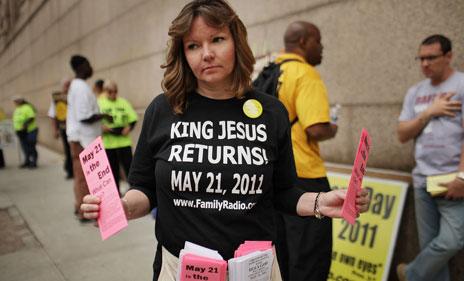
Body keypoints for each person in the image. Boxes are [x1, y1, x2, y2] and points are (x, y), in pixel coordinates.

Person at [80, 1, 369, 280]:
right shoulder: (163, 109)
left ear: (236, 42)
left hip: (256, 272)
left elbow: (282, 193)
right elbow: (144, 188)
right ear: (183, 55)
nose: (206, 53)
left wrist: (321, 202)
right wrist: (124, 207)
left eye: (217, 39)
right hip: (179, 270)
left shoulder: (272, 112)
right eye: (193, 46)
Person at [272, 21, 338, 281]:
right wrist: (333, 127)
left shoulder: (271, 70)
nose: (321, 47)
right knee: (310, 256)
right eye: (318, 41)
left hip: (273, 175)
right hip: (305, 176)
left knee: (282, 255)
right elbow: (316, 129)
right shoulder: (305, 73)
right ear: (303, 42)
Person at [397, 34, 464, 281]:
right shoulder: (415, 92)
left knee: (452, 241)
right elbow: (402, 133)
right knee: (430, 250)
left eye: (431, 58)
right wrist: (429, 113)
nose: (425, 64)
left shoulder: (461, 85)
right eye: (421, 58)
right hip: (423, 180)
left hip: (452, 181)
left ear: (449, 56)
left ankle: (410, 273)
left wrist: (462, 177)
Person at [67, 55, 111, 222]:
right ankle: (83, 210)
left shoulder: (78, 86)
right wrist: (104, 115)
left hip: (83, 138)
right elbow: (84, 116)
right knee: (84, 177)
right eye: (88, 64)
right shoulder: (80, 88)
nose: (90, 67)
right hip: (82, 140)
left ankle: (80, 206)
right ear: (81, 67)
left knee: (83, 176)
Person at [98, 79, 138, 194]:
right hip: (108, 143)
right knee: (112, 171)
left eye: (115, 91)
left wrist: (129, 128)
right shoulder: (99, 103)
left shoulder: (123, 102)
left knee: (130, 169)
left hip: (123, 142)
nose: (113, 94)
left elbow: (133, 118)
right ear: (105, 91)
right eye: (110, 92)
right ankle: (115, 194)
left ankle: (134, 191)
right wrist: (101, 127)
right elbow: (94, 122)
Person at [48, 78, 73, 179]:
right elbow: (52, 115)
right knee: (68, 151)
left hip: (76, 130)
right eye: (66, 85)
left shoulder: (74, 95)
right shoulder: (57, 99)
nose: (68, 87)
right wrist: (55, 129)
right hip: (64, 129)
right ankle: (69, 170)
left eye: (69, 84)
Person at [12, 96, 38, 168]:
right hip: (20, 131)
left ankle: (34, 162)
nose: (15, 103)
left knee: (31, 146)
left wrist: (25, 124)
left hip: (30, 130)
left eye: (16, 101)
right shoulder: (17, 109)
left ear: (21, 101)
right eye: (14, 101)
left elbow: (31, 117)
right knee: (24, 147)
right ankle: (27, 161)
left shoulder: (27, 107)